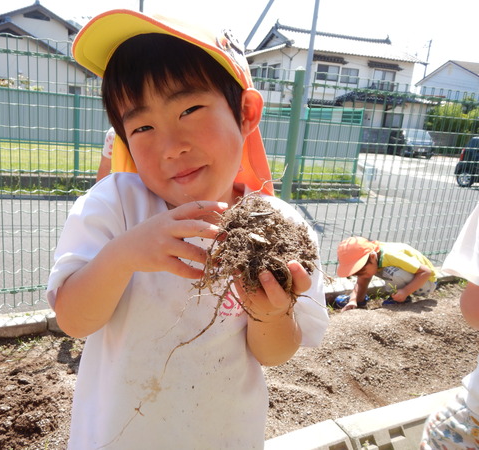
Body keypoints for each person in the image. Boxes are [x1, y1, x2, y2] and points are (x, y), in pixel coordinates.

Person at [47, 9, 328, 449]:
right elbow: (74, 320)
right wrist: (123, 255)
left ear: (246, 113)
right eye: (142, 126)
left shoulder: (280, 228)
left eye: (191, 109)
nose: (171, 146)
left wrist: (271, 313)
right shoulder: (116, 205)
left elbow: (275, 353)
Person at [420, 203, 479, 449]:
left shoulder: (391, 259)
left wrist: (401, 293)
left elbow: (474, 308)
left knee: (440, 434)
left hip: (423, 280)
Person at [336, 236, 437, 311]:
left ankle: (401, 299)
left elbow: (426, 272)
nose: (361, 276)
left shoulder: (391, 256)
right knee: (374, 273)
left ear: (372, 257)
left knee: (391, 271)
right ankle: (360, 300)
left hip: (426, 282)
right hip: (415, 278)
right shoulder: (373, 256)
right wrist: (353, 300)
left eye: (362, 271)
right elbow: (362, 281)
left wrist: (405, 292)